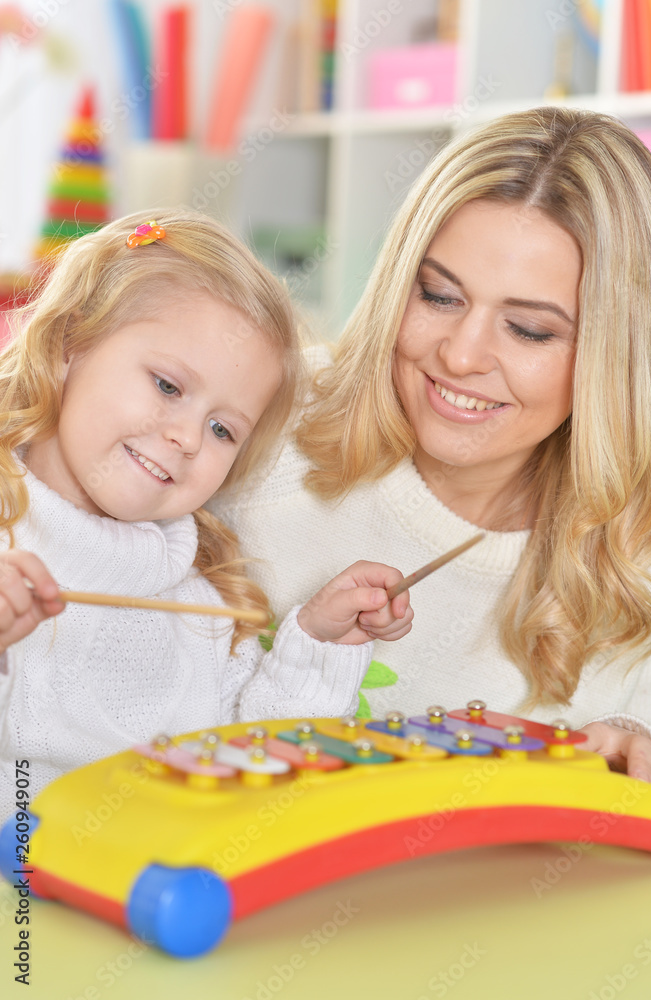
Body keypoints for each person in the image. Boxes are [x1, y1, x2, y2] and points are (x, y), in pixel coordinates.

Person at [210, 106, 651, 785]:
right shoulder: (255, 412)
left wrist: (638, 741)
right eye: (438, 295)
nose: (460, 355)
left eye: (530, 331)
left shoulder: (644, 560)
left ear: (618, 357)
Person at [0, 210, 413, 817]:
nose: (189, 439)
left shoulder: (202, 603)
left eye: (223, 429)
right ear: (70, 344)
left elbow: (253, 767)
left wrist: (318, 646)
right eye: (168, 386)